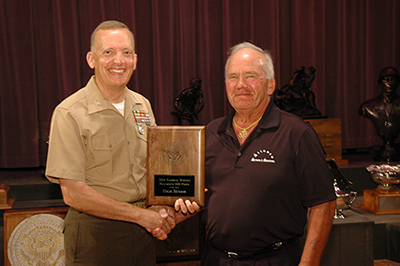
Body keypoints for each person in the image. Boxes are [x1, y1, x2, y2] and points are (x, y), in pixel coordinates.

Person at [45, 20, 199, 266]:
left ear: (135, 60)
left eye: (126, 53)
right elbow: (73, 194)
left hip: (143, 234)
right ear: (91, 59)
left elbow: (154, 169)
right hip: (96, 235)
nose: (119, 61)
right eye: (108, 52)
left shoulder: (143, 105)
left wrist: (166, 208)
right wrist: (141, 216)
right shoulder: (69, 112)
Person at [200, 42, 336, 265]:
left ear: (271, 85)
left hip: (274, 259)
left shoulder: (296, 133)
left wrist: (309, 263)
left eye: (251, 76)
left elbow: (323, 204)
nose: (240, 85)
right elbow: (196, 196)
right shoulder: (210, 133)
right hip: (215, 259)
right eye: (233, 77)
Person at [359, 67, 400, 161]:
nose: (390, 83)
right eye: (386, 80)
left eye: (393, 79)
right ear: (380, 83)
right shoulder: (368, 107)